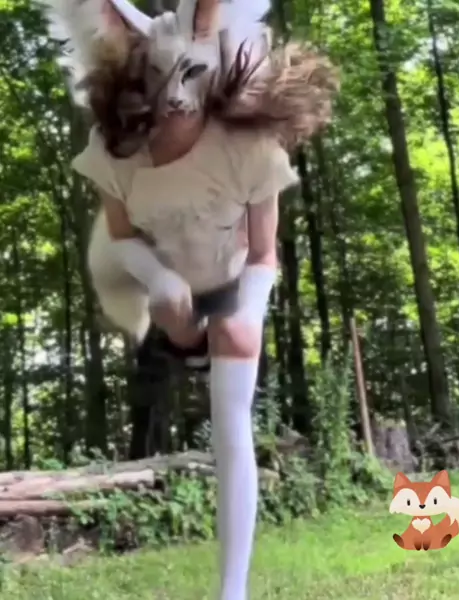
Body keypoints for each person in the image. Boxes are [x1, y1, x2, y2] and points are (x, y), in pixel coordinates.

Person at [38, 0, 338, 598]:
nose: (174, 96)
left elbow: (264, 256)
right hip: (167, 292)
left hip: (231, 286)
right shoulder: (118, 151)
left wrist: (248, 312)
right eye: (159, 77)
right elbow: (122, 238)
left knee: (231, 421)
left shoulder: (248, 147)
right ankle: (186, 341)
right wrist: (157, 279)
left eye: (190, 74)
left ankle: (233, 590)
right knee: (170, 309)